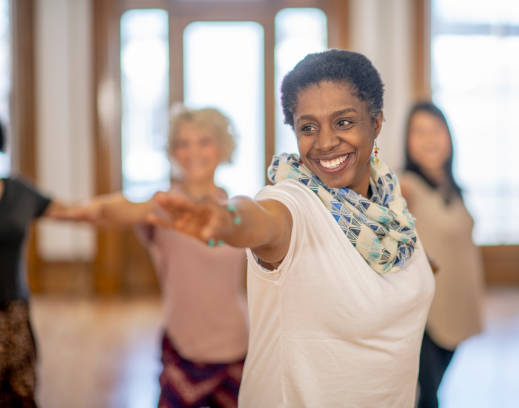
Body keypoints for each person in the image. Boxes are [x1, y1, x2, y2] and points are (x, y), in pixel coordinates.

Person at [150, 49, 435, 407]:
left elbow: (396, 274)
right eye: (308, 127)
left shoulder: (391, 211)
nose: (326, 141)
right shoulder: (293, 202)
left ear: (376, 122)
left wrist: (423, 268)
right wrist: (225, 219)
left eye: (343, 122)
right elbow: (260, 218)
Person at [81, 106, 249, 408]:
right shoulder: (161, 207)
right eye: (182, 143)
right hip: (184, 349)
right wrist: (73, 210)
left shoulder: (237, 208)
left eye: (203, 141)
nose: (192, 151)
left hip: (238, 345)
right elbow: (116, 211)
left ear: (223, 147)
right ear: (172, 151)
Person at [399, 102, 484, 408]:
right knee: (428, 396)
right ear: (407, 141)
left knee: (434, 391)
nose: (429, 139)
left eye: (435, 130)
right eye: (418, 131)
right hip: (425, 316)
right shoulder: (405, 187)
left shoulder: (451, 186)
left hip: (454, 307)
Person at [0, 122, 89, 407]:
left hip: (12, 313)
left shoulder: (19, 192)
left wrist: (139, 209)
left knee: (19, 396)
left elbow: (76, 212)